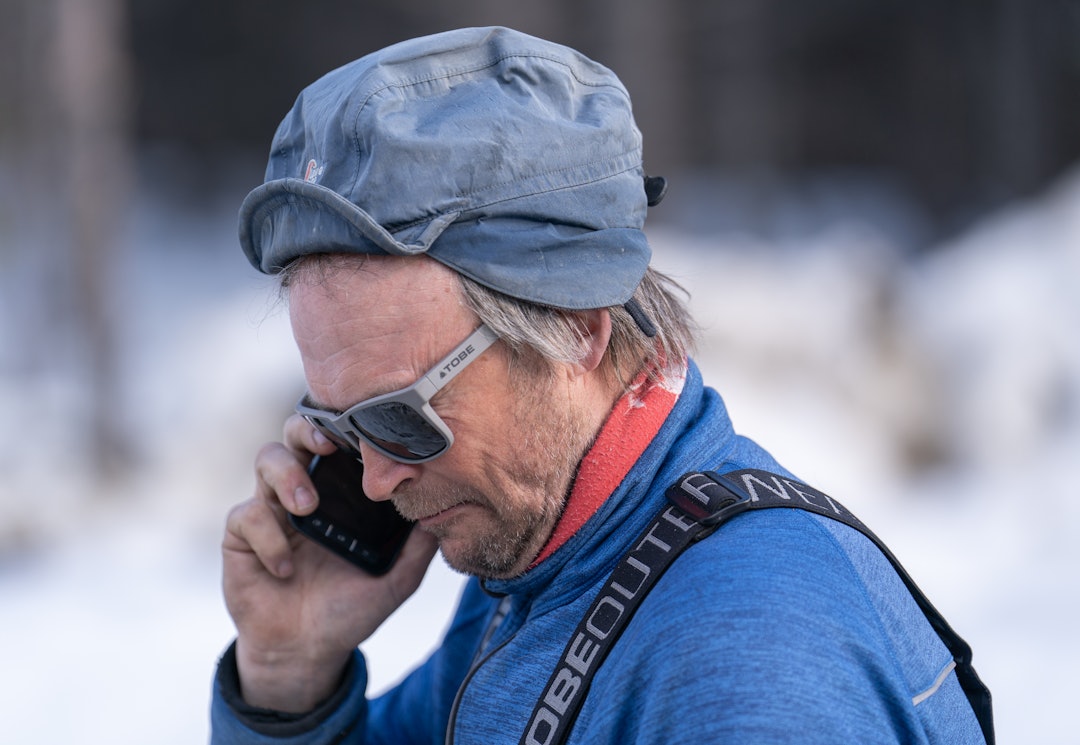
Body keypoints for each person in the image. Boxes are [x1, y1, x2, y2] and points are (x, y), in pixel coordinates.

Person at [211, 26, 990, 744]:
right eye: (344, 425)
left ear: (577, 324)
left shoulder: (746, 665)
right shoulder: (541, 558)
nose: (376, 479)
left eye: (403, 416)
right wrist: (289, 676)